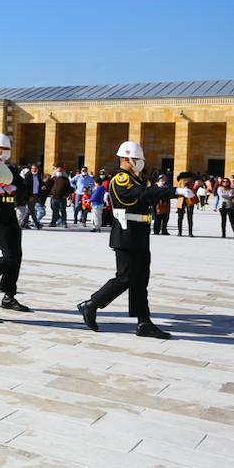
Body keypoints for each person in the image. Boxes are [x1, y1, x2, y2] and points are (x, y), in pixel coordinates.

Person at [76, 141, 196, 340]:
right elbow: (141, 195)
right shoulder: (122, 179)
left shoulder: (134, 178)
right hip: (126, 233)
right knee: (125, 278)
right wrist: (175, 191)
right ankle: (91, 304)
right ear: (126, 159)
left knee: (140, 280)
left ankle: (144, 322)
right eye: (138, 159)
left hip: (139, 232)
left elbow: (144, 194)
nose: (141, 162)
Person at [0, 133, 31, 313]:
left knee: (16, 255)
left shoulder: (9, 169)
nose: (6, 152)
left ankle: (9, 295)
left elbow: (23, 188)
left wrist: (15, 188)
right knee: (9, 255)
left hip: (10, 213)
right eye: (3, 149)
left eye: (8, 149)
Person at [20, 164, 44, 229]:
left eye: (35, 169)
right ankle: (37, 223)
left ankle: (23, 223)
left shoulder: (38, 176)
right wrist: (29, 196)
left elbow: (40, 184)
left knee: (29, 210)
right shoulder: (28, 176)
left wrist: (43, 186)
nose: (34, 170)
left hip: (36, 195)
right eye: (33, 169)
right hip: (30, 195)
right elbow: (26, 187)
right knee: (32, 210)